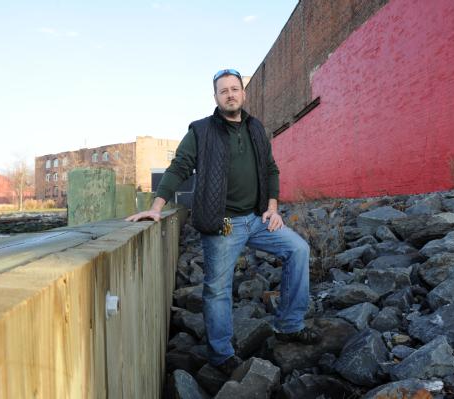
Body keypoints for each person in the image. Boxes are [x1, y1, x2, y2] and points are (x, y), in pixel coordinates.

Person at [126, 68, 319, 376]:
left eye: (235, 89)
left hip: (257, 219)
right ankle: (221, 355)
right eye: (223, 90)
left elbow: (270, 169)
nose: (230, 94)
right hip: (223, 224)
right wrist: (156, 207)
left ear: (243, 93)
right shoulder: (202, 131)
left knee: (298, 250)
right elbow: (179, 167)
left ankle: (288, 325)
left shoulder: (256, 128)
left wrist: (272, 206)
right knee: (217, 289)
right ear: (215, 97)